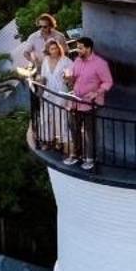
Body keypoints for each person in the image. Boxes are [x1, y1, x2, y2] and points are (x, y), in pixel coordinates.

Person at [64, 36, 113, 171]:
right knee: (74, 128)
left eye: (80, 47)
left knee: (89, 132)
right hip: (75, 102)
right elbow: (73, 76)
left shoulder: (100, 64)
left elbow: (108, 82)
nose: (77, 50)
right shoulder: (77, 61)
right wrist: (68, 78)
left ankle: (90, 158)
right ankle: (76, 154)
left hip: (90, 104)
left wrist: (96, 93)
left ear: (88, 48)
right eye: (77, 47)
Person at [28, 36, 72, 153]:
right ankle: (48, 141)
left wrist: (68, 79)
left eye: (56, 48)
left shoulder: (66, 61)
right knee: (46, 117)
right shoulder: (46, 61)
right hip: (48, 92)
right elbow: (43, 77)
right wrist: (38, 83)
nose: (55, 50)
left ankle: (62, 142)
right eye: (52, 49)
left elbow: (71, 77)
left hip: (61, 93)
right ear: (48, 50)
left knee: (61, 118)